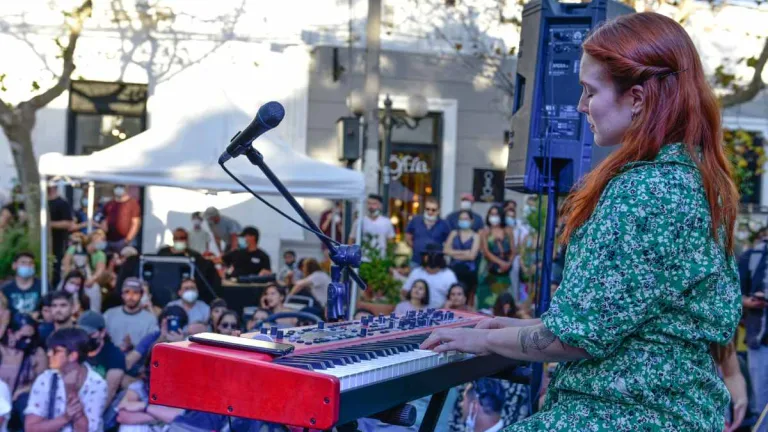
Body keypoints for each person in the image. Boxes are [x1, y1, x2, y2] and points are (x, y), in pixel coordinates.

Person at [420, 12, 742, 432]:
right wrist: (519, 327)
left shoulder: (646, 190)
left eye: (590, 91)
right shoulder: (691, 178)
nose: (580, 106)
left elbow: (575, 336)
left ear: (638, 99)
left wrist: (479, 339)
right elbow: (635, 320)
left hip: (624, 416)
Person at [24, 327, 108, 432]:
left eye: (55, 351)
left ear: (72, 356)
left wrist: (71, 390)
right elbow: (31, 428)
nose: (49, 354)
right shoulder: (46, 379)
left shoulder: (97, 384)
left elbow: (87, 430)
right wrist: (64, 418)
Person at [737, 231, 768, 427]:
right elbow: (735, 295)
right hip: (759, 338)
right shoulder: (753, 256)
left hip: (757, 338)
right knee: (760, 401)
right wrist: (749, 301)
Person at [0, 314, 47, 428]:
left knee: (25, 401)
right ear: (10, 332)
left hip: (21, 399)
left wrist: (24, 389)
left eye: (31, 337)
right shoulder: (1, 350)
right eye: (24, 337)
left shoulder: (37, 353)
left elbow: (43, 381)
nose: (28, 341)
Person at [77, 311, 126, 410]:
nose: (86, 338)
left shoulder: (114, 355)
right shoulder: (75, 351)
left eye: (91, 334)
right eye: (83, 333)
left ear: (102, 332)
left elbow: (108, 392)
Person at [103, 278, 159, 354]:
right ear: (122, 294)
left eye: (135, 292)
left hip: (138, 363)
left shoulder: (150, 319)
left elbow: (152, 348)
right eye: (127, 292)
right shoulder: (109, 315)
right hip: (110, 360)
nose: (131, 296)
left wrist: (132, 347)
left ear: (141, 295)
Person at [477, 206, 516, 309]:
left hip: (505, 272)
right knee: (487, 303)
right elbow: (486, 252)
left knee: (504, 300)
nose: (494, 217)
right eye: (491, 214)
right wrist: (500, 263)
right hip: (490, 271)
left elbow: (513, 250)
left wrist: (508, 263)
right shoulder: (485, 232)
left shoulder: (508, 231)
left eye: (496, 214)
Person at [444, 210, 481, 306]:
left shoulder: (476, 236)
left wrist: (454, 254)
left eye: (466, 219)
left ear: (471, 221)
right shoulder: (453, 233)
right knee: (452, 297)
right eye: (461, 219)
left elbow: (472, 256)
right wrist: (464, 252)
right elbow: (446, 250)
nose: (463, 221)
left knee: (468, 300)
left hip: (469, 273)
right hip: (453, 271)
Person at [405, 196, 451, 267]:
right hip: (416, 261)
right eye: (427, 209)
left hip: (436, 263)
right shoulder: (415, 220)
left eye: (433, 210)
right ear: (424, 209)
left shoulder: (444, 224)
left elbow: (449, 242)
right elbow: (408, 237)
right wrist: (416, 247)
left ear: (438, 211)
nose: (430, 212)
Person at [349, 194, 395, 259]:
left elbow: (390, 241)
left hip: (381, 259)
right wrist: (352, 256)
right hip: (363, 259)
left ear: (380, 205)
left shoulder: (386, 222)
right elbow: (351, 239)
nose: (371, 206)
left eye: (374, 204)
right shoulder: (359, 221)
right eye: (369, 203)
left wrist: (390, 257)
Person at [101, 184, 141, 254]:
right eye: (116, 187)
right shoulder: (109, 204)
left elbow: (135, 223)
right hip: (109, 240)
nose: (118, 189)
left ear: (126, 189)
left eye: (121, 187)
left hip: (124, 241)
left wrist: (127, 240)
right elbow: (104, 220)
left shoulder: (133, 204)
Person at [47, 185, 74, 286]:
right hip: (43, 244)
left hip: (57, 243)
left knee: (55, 269)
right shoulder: (42, 203)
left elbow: (68, 223)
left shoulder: (62, 203)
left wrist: (49, 224)